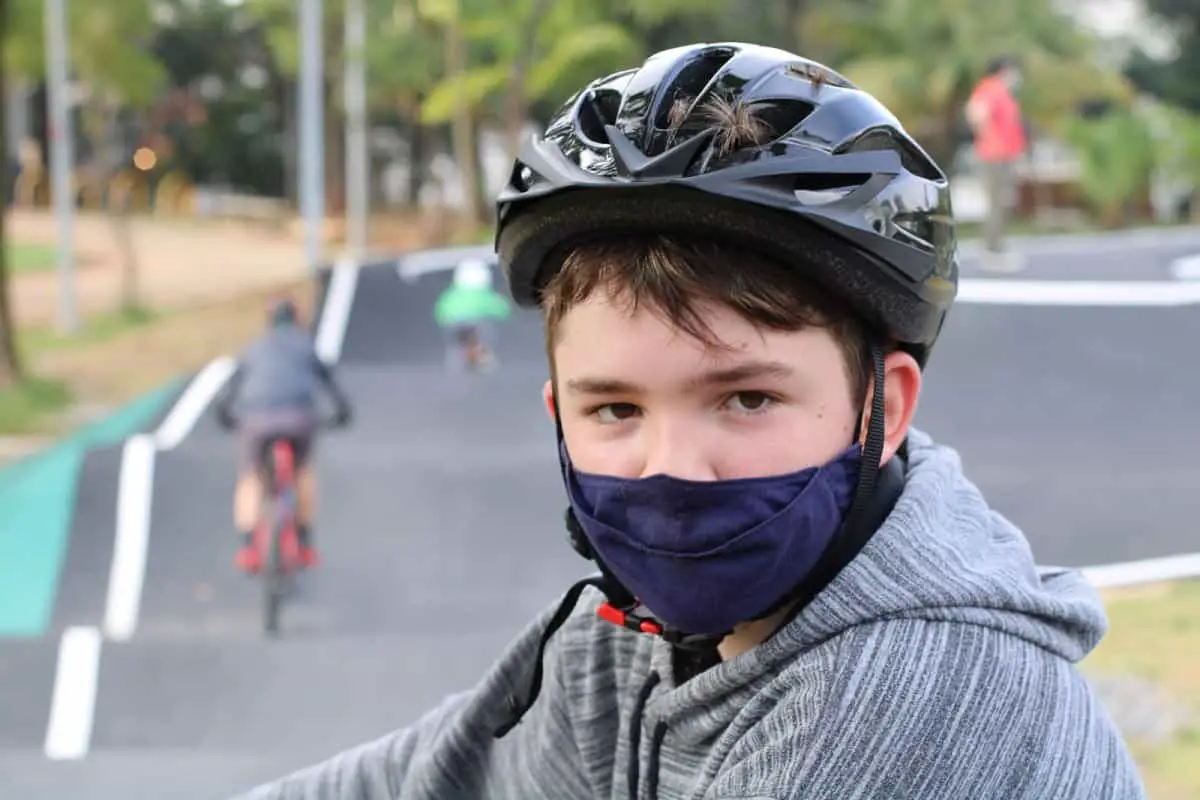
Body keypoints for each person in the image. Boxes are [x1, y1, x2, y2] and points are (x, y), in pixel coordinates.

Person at [238, 44, 1144, 799]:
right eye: (615, 408)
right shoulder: (630, 642)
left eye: (747, 398)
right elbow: (419, 781)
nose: (675, 470)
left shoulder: (918, 709)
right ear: (558, 415)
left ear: (888, 406)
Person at [215, 297, 352, 572]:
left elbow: (231, 390)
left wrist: (226, 417)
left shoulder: (255, 347)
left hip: (256, 418)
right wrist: (342, 413)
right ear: (296, 320)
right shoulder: (305, 346)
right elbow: (330, 384)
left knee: (252, 477)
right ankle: (303, 539)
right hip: (298, 418)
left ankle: (247, 545)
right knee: (302, 472)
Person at [967, 55, 1028, 272]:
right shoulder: (990, 88)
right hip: (993, 156)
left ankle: (996, 246)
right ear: (1005, 70)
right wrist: (993, 142)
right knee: (997, 202)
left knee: (1003, 202)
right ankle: (991, 250)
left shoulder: (1003, 93)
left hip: (1004, 156)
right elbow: (976, 115)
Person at [434, 257, 512, 372]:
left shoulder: (451, 294)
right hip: (478, 326)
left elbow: (440, 311)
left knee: (456, 343)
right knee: (486, 334)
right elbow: (502, 309)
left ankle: (457, 358)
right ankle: (483, 355)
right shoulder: (484, 295)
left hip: (453, 326)